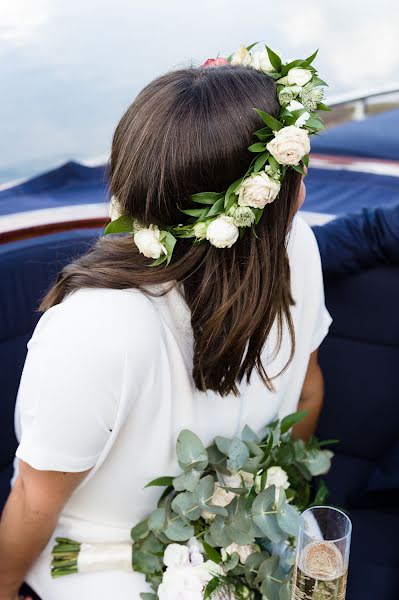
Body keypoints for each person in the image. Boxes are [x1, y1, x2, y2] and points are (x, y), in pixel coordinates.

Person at [0, 62, 331, 600]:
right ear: (284, 199)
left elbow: (36, 497)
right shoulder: (296, 249)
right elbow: (308, 395)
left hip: (240, 541)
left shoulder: (94, 327)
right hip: (105, 569)